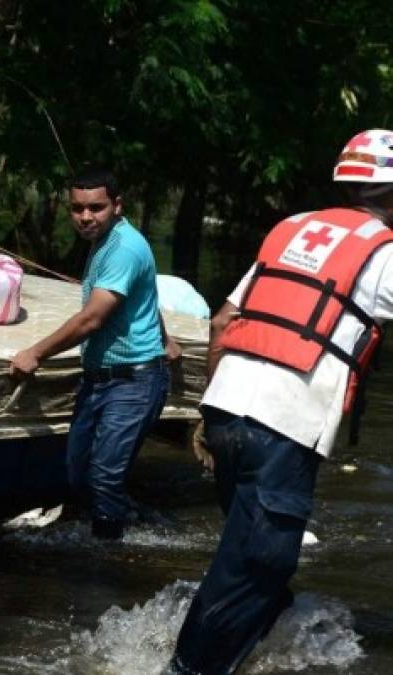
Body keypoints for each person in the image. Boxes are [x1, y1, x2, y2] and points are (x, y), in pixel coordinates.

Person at [165, 129, 393, 674]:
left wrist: (204, 413)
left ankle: (255, 649)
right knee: (259, 564)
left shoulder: (292, 230)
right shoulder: (382, 252)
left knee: (250, 557)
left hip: (224, 409)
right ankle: (187, 668)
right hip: (283, 422)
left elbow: (223, 321)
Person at [9, 168, 176, 540]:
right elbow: (140, 296)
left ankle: (107, 558)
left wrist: (35, 353)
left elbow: (92, 319)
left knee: (103, 476)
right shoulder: (105, 241)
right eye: (77, 208)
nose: (85, 217)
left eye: (96, 208)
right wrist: (165, 335)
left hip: (133, 379)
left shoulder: (124, 248)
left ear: (117, 205)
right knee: (78, 473)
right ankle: (139, 525)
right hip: (100, 377)